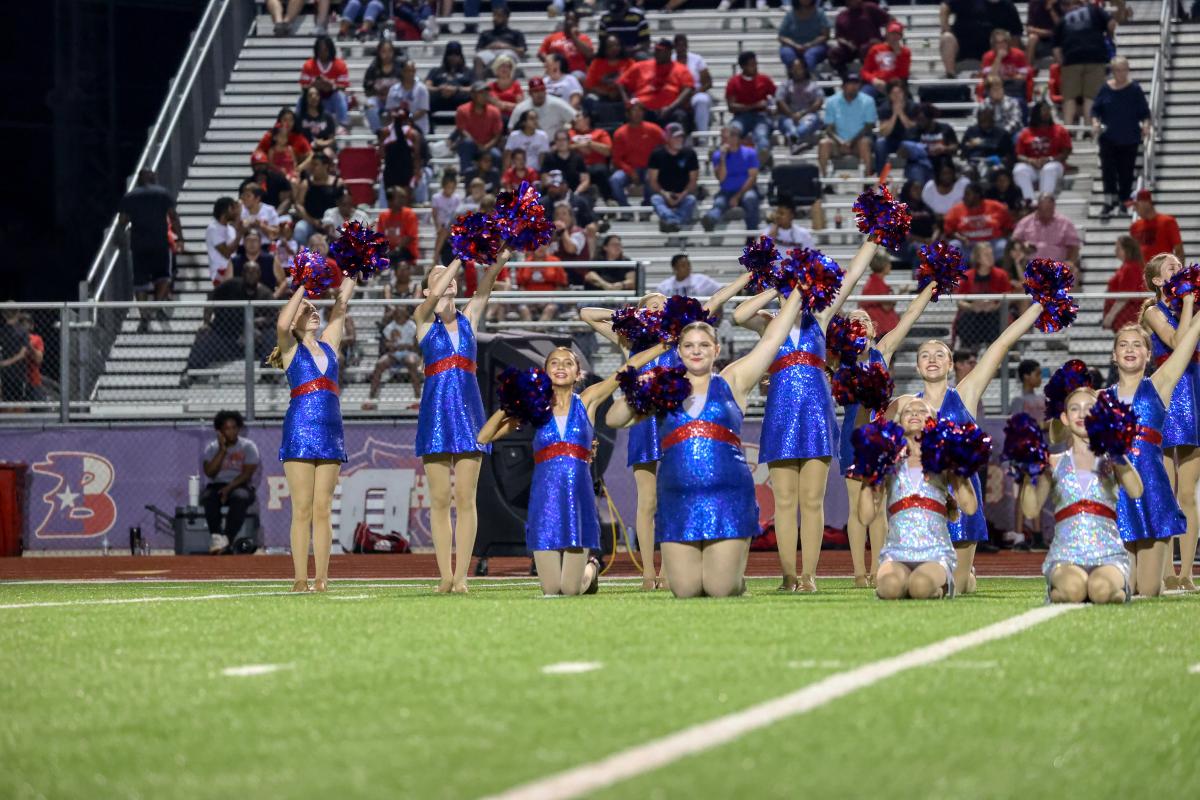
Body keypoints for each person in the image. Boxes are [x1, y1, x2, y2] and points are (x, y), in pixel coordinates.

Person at [606, 289, 808, 597]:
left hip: (728, 496)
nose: (696, 351)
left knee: (719, 589)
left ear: (716, 349)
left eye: (703, 345)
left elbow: (772, 339)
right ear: (679, 350)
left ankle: (737, 581)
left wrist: (798, 291)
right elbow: (614, 419)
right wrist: (638, 385)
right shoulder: (664, 388)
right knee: (685, 590)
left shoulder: (733, 380)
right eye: (689, 345)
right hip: (678, 498)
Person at [582, 276, 752, 589]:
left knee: (676, 491)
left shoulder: (682, 338)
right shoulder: (629, 342)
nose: (659, 308)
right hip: (644, 419)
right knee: (647, 501)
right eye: (652, 305)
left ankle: (670, 569)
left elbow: (716, 300)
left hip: (676, 417)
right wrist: (631, 316)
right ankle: (649, 573)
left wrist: (747, 278)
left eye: (663, 304)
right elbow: (587, 315)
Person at [733, 238, 878, 592]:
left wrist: (874, 238)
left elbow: (852, 275)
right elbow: (738, 315)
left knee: (812, 501)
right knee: (784, 502)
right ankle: (787, 576)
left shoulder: (821, 318)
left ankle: (809, 576)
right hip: (780, 415)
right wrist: (778, 288)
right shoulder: (769, 323)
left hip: (816, 414)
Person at [480, 344, 666, 596]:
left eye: (568, 363)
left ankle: (591, 567)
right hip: (544, 503)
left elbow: (628, 367)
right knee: (550, 590)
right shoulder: (535, 408)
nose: (561, 367)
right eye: (554, 363)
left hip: (579, 502)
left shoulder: (587, 400)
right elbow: (484, 437)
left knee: (570, 590)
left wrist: (662, 346)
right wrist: (510, 404)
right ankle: (585, 568)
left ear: (578, 373)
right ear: (545, 372)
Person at [900, 299, 1050, 593]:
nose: (932, 359)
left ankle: (966, 575)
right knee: (919, 585)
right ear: (917, 366)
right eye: (925, 355)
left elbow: (1001, 344)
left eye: (940, 355)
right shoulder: (906, 406)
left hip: (962, 491)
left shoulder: (964, 394)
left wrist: (1039, 305)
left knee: (953, 588)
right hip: (923, 496)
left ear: (950, 364)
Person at [414, 252, 513, 592]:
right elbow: (432, 300)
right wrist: (457, 258)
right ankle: (445, 575)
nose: (449, 279)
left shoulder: (469, 317)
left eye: (451, 276)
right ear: (426, 290)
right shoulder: (423, 319)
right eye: (438, 276)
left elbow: (487, 284)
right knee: (440, 499)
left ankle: (462, 576)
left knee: (466, 499)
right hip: (436, 415)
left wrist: (500, 259)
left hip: (470, 415)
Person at [841, 281, 938, 586]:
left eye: (864, 319)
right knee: (856, 507)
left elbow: (909, 316)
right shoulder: (839, 360)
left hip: (883, 436)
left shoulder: (882, 351)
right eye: (853, 320)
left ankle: (878, 568)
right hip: (852, 436)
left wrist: (931, 287)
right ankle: (859, 573)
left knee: (879, 507)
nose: (859, 323)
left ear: (873, 329)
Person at [269, 276, 355, 593]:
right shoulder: (290, 348)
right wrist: (303, 287)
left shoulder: (329, 344)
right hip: (300, 430)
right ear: (296, 321)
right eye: (307, 310)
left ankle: (321, 578)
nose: (314, 312)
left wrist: (354, 270)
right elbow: (282, 322)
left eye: (315, 308)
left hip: (331, 431)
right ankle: (299, 578)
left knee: (323, 509)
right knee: (302, 508)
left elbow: (341, 306)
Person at [1020, 387, 1140, 604]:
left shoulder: (1111, 459)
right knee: (1074, 590)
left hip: (1108, 554)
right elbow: (1030, 510)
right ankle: (1063, 590)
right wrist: (1028, 475)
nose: (1082, 414)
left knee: (1101, 590)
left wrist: (1117, 451)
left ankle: (1114, 589)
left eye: (1089, 408)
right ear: (1065, 418)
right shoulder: (1053, 461)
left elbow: (1136, 490)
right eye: (1075, 409)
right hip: (1065, 556)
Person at [1108, 313, 1200, 595]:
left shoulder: (1159, 385)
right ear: (1114, 355)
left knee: (1147, 590)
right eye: (1123, 345)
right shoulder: (1100, 397)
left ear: (1149, 355)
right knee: (1124, 588)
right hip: (1117, 498)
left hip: (1154, 496)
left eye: (1137, 345)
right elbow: (1062, 431)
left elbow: (1186, 344)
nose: (1130, 349)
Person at [859, 397, 978, 599]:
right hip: (897, 551)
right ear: (899, 423)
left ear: (934, 422)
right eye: (907, 411)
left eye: (922, 411)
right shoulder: (889, 460)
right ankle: (919, 583)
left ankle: (956, 581)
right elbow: (865, 516)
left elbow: (970, 507)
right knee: (889, 588)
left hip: (935, 552)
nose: (914, 413)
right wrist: (868, 474)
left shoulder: (943, 458)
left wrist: (960, 468)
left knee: (920, 586)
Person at [1141, 253, 1200, 591]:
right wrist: (1190, 301)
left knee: (1188, 493)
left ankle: (1187, 573)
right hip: (1168, 394)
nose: (1179, 269)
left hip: (1195, 391)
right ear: (1158, 280)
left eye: (1181, 265)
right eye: (1171, 267)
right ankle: (1165, 571)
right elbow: (1179, 343)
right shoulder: (1153, 310)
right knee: (1166, 489)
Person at [118, 169, 183, 328]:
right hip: (160, 243)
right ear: (154, 178)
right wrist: (180, 238)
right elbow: (173, 216)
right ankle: (157, 306)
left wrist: (118, 238)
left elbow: (123, 221)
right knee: (164, 277)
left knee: (140, 282)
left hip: (139, 245)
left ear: (139, 180)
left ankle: (144, 315)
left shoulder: (130, 196)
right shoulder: (163, 193)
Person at [185, 262, 275, 373]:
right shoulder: (231, 285)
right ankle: (191, 373)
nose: (251, 275)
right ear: (243, 274)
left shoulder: (265, 294)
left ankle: (268, 374)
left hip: (253, 340)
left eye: (255, 272)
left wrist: (259, 322)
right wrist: (206, 323)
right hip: (225, 337)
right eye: (248, 272)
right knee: (204, 335)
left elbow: (275, 316)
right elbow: (211, 296)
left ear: (259, 274)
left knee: (272, 335)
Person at [1091, 56, 1150, 218]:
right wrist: (1095, 122)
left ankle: (1125, 202)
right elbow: (1095, 110)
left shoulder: (1135, 89)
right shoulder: (1105, 88)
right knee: (1108, 171)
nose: (1121, 73)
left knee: (1126, 172)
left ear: (1128, 70)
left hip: (1129, 137)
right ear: (1113, 71)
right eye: (1117, 70)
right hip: (1108, 137)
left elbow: (1144, 112)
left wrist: (1146, 125)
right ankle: (1109, 202)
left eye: (1124, 70)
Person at [200, 411, 260, 554]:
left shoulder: (248, 446)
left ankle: (227, 538)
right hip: (217, 485)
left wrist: (229, 488)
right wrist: (222, 450)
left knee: (240, 497)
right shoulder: (212, 448)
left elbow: (247, 474)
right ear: (220, 431)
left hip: (240, 485)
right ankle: (216, 537)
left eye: (234, 428)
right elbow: (209, 472)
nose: (232, 432)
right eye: (227, 428)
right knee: (208, 497)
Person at [1053, 0, 1115, 127]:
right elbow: (1111, 25)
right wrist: (1109, 36)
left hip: (1071, 60)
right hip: (1095, 58)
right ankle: (1089, 130)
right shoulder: (1095, 10)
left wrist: (1063, 64)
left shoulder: (1063, 20)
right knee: (1090, 97)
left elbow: (1056, 49)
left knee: (1069, 98)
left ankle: (1068, 129)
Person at [618, 38, 695, 131]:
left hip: (670, 110)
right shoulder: (641, 66)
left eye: (660, 51)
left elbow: (688, 88)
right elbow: (621, 83)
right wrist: (628, 102)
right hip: (644, 110)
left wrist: (671, 107)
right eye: (656, 50)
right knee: (633, 115)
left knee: (680, 116)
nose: (656, 53)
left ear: (669, 52)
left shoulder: (680, 69)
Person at [939, 0, 1024, 77]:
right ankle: (951, 76)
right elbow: (945, 6)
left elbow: (1015, 36)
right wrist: (945, 28)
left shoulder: (1008, 6)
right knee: (947, 37)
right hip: (962, 52)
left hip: (992, 56)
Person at [702, 125, 763, 233]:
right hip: (726, 191)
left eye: (726, 137)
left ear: (735, 138)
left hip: (746, 190)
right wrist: (722, 158)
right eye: (722, 137)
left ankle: (751, 233)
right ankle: (710, 220)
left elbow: (752, 178)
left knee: (750, 198)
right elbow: (721, 178)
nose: (723, 140)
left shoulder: (750, 153)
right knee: (719, 203)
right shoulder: (717, 155)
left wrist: (737, 196)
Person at [954, 242, 1014, 349]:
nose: (990, 257)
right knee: (966, 320)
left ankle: (993, 350)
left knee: (996, 320)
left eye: (991, 254)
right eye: (986, 255)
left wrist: (994, 306)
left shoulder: (1001, 275)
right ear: (978, 259)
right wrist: (972, 306)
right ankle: (970, 351)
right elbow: (959, 301)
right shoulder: (967, 276)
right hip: (973, 315)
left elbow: (1007, 297)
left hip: (994, 315)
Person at [817, 74, 877, 178]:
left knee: (865, 142)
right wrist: (841, 142)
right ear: (843, 86)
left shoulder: (868, 101)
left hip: (858, 143)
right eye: (850, 84)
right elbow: (829, 128)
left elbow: (869, 126)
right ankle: (825, 180)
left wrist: (851, 142)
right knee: (824, 143)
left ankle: (867, 180)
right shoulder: (831, 101)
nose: (854, 86)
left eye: (856, 83)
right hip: (837, 143)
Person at [1014, 101, 1072, 204]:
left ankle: (1044, 203)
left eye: (1048, 110)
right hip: (1033, 166)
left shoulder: (1059, 130)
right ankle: (1030, 203)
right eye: (1044, 110)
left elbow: (1066, 151)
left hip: (1054, 165)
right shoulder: (1026, 132)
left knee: (1048, 169)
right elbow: (1019, 155)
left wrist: (1049, 159)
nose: (1047, 113)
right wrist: (1030, 161)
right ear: (1036, 113)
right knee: (1019, 170)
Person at [366, 304, 423, 407]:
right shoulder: (390, 327)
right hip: (394, 354)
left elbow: (416, 346)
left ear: (406, 314)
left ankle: (418, 397)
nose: (399, 315)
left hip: (409, 353)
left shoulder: (412, 326)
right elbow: (386, 345)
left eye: (402, 313)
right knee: (380, 364)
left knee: (411, 362)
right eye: (397, 313)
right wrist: (393, 346)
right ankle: (371, 398)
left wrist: (404, 346)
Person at [608, 101, 665, 207]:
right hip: (629, 168)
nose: (637, 113)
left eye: (640, 110)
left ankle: (646, 207)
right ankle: (625, 209)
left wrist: (657, 165)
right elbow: (616, 159)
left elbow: (666, 145)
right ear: (628, 114)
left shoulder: (654, 129)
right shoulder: (620, 133)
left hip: (650, 168)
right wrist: (630, 171)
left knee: (651, 177)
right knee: (615, 180)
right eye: (634, 110)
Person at [647, 122, 699, 232]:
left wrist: (682, 195)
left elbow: (693, 181)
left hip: (684, 194)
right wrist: (665, 194)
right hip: (664, 194)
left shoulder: (690, 154)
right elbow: (653, 181)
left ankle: (671, 222)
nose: (679, 140)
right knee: (655, 199)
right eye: (675, 137)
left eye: (681, 137)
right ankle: (675, 221)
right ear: (667, 138)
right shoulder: (657, 154)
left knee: (691, 199)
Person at [943, 182, 1014, 262]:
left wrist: (999, 235)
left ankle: (999, 269)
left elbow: (1009, 226)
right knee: (954, 245)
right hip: (968, 245)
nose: (964, 197)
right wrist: (961, 238)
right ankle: (963, 269)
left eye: (967, 194)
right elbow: (949, 231)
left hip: (991, 243)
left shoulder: (996, 207)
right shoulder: (956, 209)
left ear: (977, 196)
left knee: (1003, 246)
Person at [725, 51, 777, 154]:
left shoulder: (764, 79)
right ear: (743, 66)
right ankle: (729, 158)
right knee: (733, 131)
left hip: (761, 116)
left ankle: (762, 159)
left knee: (761, 135)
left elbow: (777, 96)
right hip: (741, 117)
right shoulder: (734, 82)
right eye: (752, 65)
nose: (755, 67)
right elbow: (731, 106)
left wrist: (772, 107)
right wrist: (754, 106)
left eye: (755, 64)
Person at [900, 103, 960, 187]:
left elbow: (955, 147)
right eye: (917, 119)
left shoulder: (945, 129)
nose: (919, 122)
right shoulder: (912, 132)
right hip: (919, 164)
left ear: (930, 118)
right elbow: (901, 153)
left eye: (922, 119)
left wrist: (944, 148)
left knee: (947, 171)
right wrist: (906, 151)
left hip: (941, 163)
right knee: (917, 173)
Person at [1012, 194, 1080, 267]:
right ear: (1038, 207)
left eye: (1049, 209)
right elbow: (1015, 241)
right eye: (1043, 209)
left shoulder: (1065, 223)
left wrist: (1070, 262)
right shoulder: (1025, 222)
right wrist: (1022, 247)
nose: (1046, 213)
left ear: (1054, 207)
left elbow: (1074, 246)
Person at [297, 35, 350, 127]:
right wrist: (314, 85)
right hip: (315, 100)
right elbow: (303, 87)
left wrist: (331, 85)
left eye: (325, 50)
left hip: (332, 99)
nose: (323, 53)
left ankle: (343, 125)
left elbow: (343, 86)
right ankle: (297, 125)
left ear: (331, 49)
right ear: (316, 50)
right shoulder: (308, 65)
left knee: (340, 96)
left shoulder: (340, 65)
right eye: (320, 50)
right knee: (302, 98)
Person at [828, 0, 890, 77]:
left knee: (865, 49)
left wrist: (884, 39)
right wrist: (847, 43)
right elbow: (839, 37)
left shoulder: (870, 8)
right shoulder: (841, 16)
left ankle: (869, 76)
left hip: (870, 45)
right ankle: (845, 77)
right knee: (834, 53)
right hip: (851, 48)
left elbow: (890, 21)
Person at [292, 153, 342, 246]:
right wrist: (312, 221)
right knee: (300, 229)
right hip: (310, 222)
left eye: (316, 165)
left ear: (325, 166)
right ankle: (302, 254)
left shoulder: (337, 183)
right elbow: (298, 205)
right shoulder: (306, 183)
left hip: (333, 222)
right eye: (311, 165)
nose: (312, 168)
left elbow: (343, 204)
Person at [777, 58, 825, 153]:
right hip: (789, 116)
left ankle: (793, 140)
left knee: (812, 120)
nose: (796, 72)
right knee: (787, 123)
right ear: (790, 70)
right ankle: (796, 142)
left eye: (799, 69)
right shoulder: (785, 85)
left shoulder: (813, 85)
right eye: (794, 69)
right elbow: (779, 101)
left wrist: (802, 113)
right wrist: (792, 115)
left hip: (807, 115)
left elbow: (819, 102)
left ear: (804, 69)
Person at [454, 82, 504, 172]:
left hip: (489, 146)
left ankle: (495, 178)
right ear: (472, 95)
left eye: (486, 93)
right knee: (466, 144)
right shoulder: (462, 110)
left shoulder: (494, 111)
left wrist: (486, 147)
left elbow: (497, 135)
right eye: (481, 93)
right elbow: (463, 131)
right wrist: (478, 145)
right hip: (471, 146)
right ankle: (466, 175)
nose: (485, 96)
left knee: (497, 155)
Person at [977, 28, 1033, 104]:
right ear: (993, 45)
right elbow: (990, 78)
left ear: (1008, 43)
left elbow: (1023, 77)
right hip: (994, 88)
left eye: (1004, 42)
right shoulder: (987, 57)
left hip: (1013, 87)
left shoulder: (1019, 54)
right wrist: (998, 58)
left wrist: (1006, 78)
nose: (1001, 45)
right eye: (998, 43)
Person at [1102, 236, 1146, 331]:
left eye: (1118, 248)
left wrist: (1110, 316)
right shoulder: (1127, 266)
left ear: (1127, 250)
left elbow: (1125, 295)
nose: (1115, 251)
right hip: (1124, 316)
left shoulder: (1130, 268)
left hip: (1127, 316)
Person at [673, 34, 714, 135]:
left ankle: (702, 136)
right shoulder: (669, 60)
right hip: (675, 95)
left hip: (695, 93)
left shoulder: (697, 59)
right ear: (675, 47)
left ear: (687, 46)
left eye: (684, 45)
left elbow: (708, 82)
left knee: (701, 100)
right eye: (679, 45)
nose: (682, 48)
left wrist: (695, 93)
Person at [425, 41, 473, 126]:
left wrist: (456, 89)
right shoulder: (436, 71)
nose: (453, 57)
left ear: (461, 56)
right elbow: (426, 86)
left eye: (456, 54)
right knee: (425, 98)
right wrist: (439, 89)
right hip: (440, 100)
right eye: (450, 54)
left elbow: (474, 87)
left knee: (474, 96)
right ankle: (428, 130)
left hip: (460, 101)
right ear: (446, 55)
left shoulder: (468, 72)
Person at [510, 77, 576, 138]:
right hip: (529, 144)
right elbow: (511, 129)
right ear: (530, 93)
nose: (540, 93)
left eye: (542, 89)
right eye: (536, 91)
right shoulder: (521, 108)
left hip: (554, 144)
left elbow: (576, 120)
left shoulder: (557, 103)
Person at [1130, 190, 1184, 263]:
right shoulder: (1135, 226)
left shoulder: (1167, 222)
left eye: (1136, 205)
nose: (1134, 209)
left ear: (1146, 203)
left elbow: (1179, 251)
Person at [569, 111, 614, 200]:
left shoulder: (600, 132)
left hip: (595, 165)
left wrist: (590, 144)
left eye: (578, 117)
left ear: (587, 120)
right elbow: (563, 147)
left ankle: (609, 199)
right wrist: (581, 146)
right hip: (576, 166)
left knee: (600, 171)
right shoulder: (570, 133)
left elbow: (608, 151)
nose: (575, 120)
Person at [860, 21, 911, 98]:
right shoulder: (875, 49)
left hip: (894, 86)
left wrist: (899, 56)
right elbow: (865, 71)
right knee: (863, 96)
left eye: (897, 34)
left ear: (900, 36)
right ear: (887, 34)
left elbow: (903, 74)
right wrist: (873, 80)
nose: (894, 37)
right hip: (876, 83)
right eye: (892, 33)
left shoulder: (905, 52)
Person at [778, 0, 830, 73]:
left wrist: (810, 45)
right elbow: (782, 36)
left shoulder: (820, 13)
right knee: (787, 53)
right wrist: (795, 45)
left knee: (810, 55)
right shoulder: (790, 14)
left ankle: (809, 75)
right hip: (793, 46)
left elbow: (825, 35)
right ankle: (794, 76)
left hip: (815, 45)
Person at [473, 5, 527, 76]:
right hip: (490, 53)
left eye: (499, 16)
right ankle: (479, 81)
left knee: (505, 57)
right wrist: (490, 47)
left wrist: (506, 46)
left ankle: (496, 73)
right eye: (494, 15)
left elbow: (521, 51)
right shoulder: (485, 33)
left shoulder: (516, 33)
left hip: (508, 53)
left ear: (506, 17)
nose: (495, 18)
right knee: (478, 58)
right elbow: (478, 50)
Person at [363, 39, 402, 133]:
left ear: (393, 52)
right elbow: (367, 90)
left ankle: (396, 132)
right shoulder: (373, 68)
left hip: (397, 100)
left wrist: (391, 94)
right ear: (379, 53)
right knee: (369, 104)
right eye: (383, 51)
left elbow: (407, 87)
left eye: (389, 51)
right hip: (379, 100)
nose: (387, 54)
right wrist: (379, 93)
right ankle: (378, 133)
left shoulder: (400, 67)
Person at [539, 10, 593, 76]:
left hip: (576, 72)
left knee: (576, 76)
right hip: (556, 71)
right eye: (567, 19)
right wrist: (549, 61)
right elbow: (541, 53)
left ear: (577, 23)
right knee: (544, 79)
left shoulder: (583, 38)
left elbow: (589, 55)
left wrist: (573, 36)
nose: (569, 22)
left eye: (572, 20)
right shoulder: (553, 37)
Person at [584, 35, 634, 107]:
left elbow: (636, 82)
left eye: (617, 45)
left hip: (625, 96)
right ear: (604, 49)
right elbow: (589, 86)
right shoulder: (597, 63)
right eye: (610, 46)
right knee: (589, 99)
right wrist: (607, 93)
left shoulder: (629, 62)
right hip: (602, 98)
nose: (614, 48)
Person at [384, 59, 431, 136]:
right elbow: (390, 109)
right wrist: (398, 118)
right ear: (402, 72)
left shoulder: (422, 89)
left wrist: (407, 118)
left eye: (413, 71)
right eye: (408, 71)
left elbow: (422, 111)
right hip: (397, 128)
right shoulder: (394, 89)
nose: (410, 73)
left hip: (418, 129)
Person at [232, 230, 284, 297]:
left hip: (266, 301)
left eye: (255, 240)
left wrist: (273, 297)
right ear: (244, 242)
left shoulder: (271, 260)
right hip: (240, 301)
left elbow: (283, 282)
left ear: (260, 242)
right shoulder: (234, 261)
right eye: (248, 240)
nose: (252, 243)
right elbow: (226, 284)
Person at [204, 197, 243, 286]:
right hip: (220, 273)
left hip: (232, 271)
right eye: (235, 209)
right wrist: (240, 234)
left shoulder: (231, 229)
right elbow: (226, 253)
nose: (237, 212)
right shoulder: (213, 228)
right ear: (229, 209)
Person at [858, 251, 899, 336]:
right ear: (883, 266)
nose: (890, 266)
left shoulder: (874, 281)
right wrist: (899, 295)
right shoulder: (877, 283)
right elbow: (886, 307)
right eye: (888, 264)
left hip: (880, 326)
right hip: (882, 327)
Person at [377, 186, 420, 266]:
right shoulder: (383, 216)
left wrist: (394, 251)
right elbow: (380, 238)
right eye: (400, 197)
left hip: (406, 252)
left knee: (400, 264)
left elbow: (409, 238)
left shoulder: (409, 214)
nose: (403, 200)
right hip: (389, 252)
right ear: (390, 200)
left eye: (403, 197)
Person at [296, 86, 338, 158]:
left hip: (324, 150)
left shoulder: (328, 117)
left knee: (328, 153)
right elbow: (296, 138)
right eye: (310, 95)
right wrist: (313, 144)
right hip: (305, 151)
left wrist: (322, 144)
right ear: (306, 98)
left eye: (316, 94)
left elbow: (332, 139)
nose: (314, 97)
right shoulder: (299, 118)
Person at [656, 254, 720, 298]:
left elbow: (720, 291)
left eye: (688, 264)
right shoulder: (665, 286)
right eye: (683, 265)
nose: (687, 267)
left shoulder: (701, 280)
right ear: (675, 268)